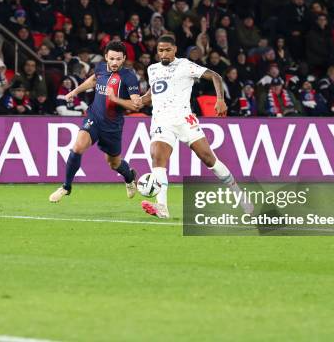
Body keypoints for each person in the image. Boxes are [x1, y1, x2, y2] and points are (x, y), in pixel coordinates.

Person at [138, 35, 253, 219]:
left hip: (184, 120)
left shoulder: (185, 65)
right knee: (157, 158)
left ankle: (241, 196)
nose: (164, 53)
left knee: (209, 159)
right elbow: (154, 93)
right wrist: (136, 101)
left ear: (175, 49)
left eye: (167, 49)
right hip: (162, 121)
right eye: (160, 50)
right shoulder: (152, 69)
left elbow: (215, 76)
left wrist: (220, 100)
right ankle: (162, 207)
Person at [49, 41, 141, 203]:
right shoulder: (100, 68)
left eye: (118, 59)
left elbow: (136, 104)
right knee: (77, 147)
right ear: (106, 57)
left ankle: (129, 176)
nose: (114, 62)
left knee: (113, 163)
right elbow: (92, 80)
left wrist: (115, 99)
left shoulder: (129, 77)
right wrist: (75, 91)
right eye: (111, 58)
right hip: (94, 118)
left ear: (124, 59)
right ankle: (66, 187)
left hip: (113, 126)